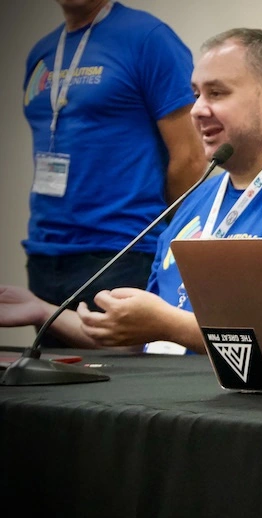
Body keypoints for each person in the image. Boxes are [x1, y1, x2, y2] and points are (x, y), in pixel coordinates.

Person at [0, 28, 262, 354]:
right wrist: (40, 310)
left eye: (216, 93)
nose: (197, 109)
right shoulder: (195, 200)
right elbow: (138, 340)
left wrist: (169, 325)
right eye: (196, 93)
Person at [21, 0, 206, 345]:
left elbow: (191, 157)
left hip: (121, 253)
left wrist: (171, 243)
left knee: (112, 393)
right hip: (47, 254)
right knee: (48, 392)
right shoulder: (42, 52)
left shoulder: (149, 39)